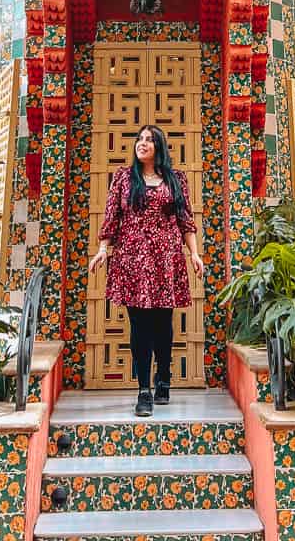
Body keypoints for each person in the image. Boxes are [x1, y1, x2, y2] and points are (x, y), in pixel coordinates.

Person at [89, 124, 204, 416]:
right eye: (140, 139)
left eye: (149, 140)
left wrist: (194, 253)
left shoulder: (176, 179)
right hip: (132, 259)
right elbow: (111, 216)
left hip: (165, 259)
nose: (142, 143)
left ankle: (163, 378)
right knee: (139, 326)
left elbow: (185, 219)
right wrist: (103, 249)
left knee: (163, 324)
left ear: (159, 147)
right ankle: (143, 391)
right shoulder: (123, 178)